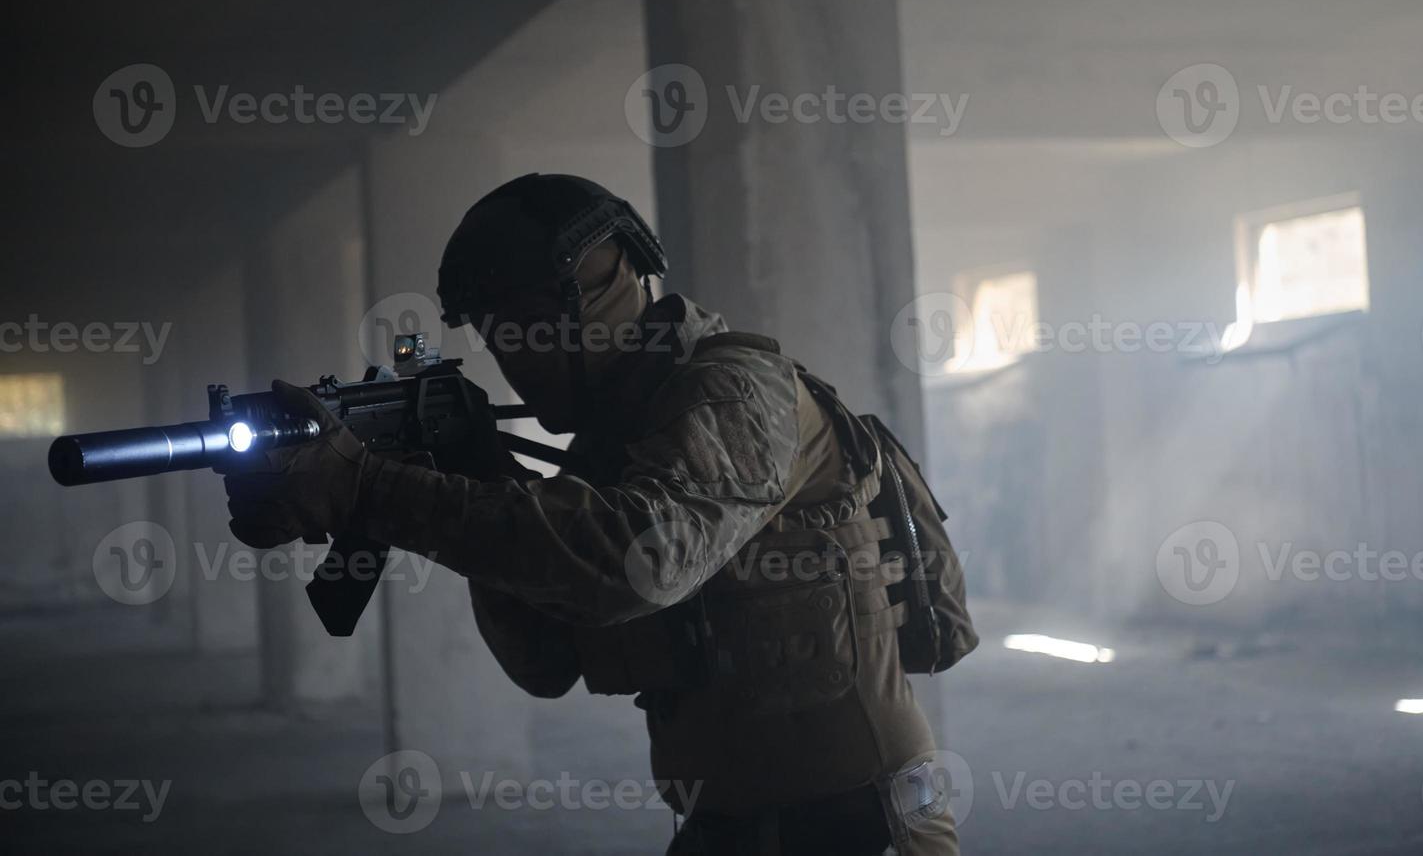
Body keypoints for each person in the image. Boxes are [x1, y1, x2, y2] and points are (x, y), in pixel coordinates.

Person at [224, 173, 968, 855]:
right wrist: (476, 475)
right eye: (494, 335)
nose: (511, 359)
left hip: (858, 826)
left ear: (595, 299)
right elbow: (544, 662)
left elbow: (631, 564)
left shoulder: (733, 390)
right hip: (730, 829)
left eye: (526, 329)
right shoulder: (619, 444)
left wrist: (375, 490)